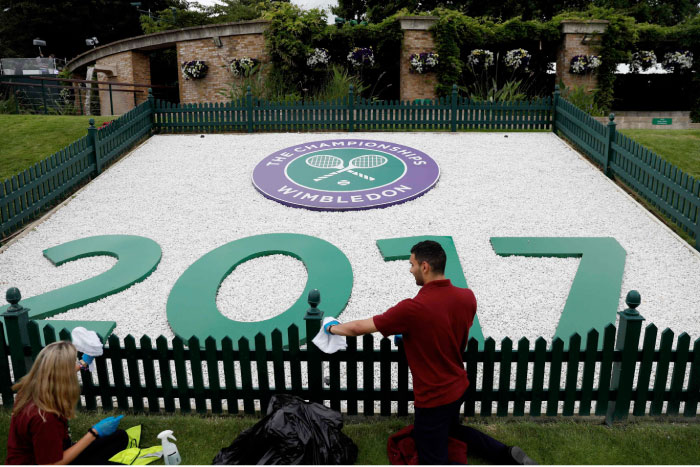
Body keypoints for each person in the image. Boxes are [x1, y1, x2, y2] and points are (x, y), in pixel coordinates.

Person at [325, 240, 537, 465]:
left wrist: (331, 327)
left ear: (425, 267)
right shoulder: (467, 297)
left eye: (412, 264)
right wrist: (409, 334)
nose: (410, 269)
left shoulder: (412, 309)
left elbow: (359, 328)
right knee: (452, 431)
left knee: (432, 457)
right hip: (458, 385)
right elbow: (444, 328)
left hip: (434, 399)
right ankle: (506, 453)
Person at [5, 340, 128, 465]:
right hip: (48, 462)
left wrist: (82, 363)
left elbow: (57, 371)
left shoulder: (31, 389)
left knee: (120, 437)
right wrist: (94, 433)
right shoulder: (45, 417)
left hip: (58, 450)